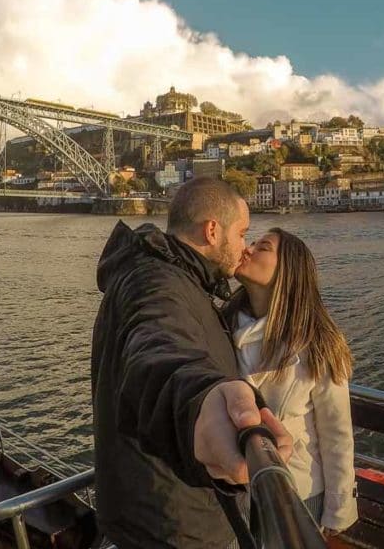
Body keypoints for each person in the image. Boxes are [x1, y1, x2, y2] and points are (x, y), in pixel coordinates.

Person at [91, 177, 293, 549]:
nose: (244, 246)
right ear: (213, 230)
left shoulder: (162, 275)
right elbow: (159, 345)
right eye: (242, 233)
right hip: (175, 525)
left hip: (160, 515)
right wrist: (198, 403)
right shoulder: (158, 285)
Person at [228, 228, 358, 537]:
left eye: (264, 247)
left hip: (298, 492)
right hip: (237, 492)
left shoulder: (318, 341)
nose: (249, 248)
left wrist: (336, 514)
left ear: (288, 270)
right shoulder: (222, 324)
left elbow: (337, 435)